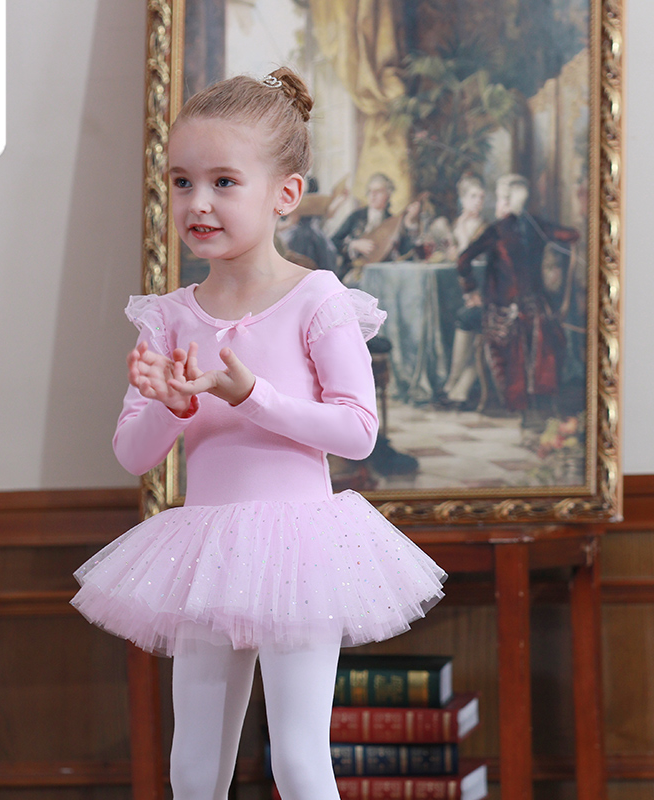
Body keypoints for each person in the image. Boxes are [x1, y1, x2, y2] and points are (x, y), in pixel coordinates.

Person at [71, 68, 446, 800]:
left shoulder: (316, 298)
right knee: (193, 767)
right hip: (204, 548)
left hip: (302, 548)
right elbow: (133, 452)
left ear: (285, 194)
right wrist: (174, 405)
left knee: (298, 760)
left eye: (223, 182)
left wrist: (250, 395)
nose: (197, 202)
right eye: (182, 182)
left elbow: (358, 431)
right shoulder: (169, 317)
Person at [456, 174, 578, 420]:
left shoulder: (503, 230)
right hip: (524, 308)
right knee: (532, 325)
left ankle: (524, 401)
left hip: (510, 308)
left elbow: (463, 261)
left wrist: (471, 290)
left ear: (507, 201)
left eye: (502, 199)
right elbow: (572, 235)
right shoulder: (532, 227)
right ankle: (532, 401)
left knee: (516, 324)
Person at [437, 174, 488, 409]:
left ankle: (454, 384)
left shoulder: (485, 228)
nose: (478, 202)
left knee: (468, 321)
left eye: (481, 197)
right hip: (460, 289)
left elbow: (472, 257)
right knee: (452, 317)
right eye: (473, 196)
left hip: (483, 288)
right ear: (463, 199)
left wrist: (462, 240)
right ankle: (454, 385)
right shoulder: (457, 224)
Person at [330, 172, 395, 278]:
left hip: (382, 275)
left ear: (388, 194)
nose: (373, 195)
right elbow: (333, 241)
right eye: (370, 191)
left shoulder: (392, 221)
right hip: (353, 273)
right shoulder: (356, 216)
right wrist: (353, 245)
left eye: (378, 191)